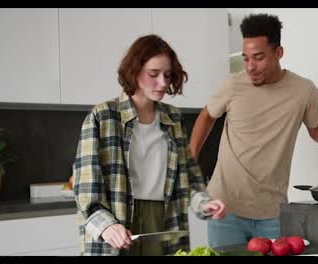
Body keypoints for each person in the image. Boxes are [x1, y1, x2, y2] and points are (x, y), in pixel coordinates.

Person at [189, 13, 318, 248]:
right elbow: (206, 116)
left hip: (272, 213)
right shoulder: (233, 85)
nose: (250, 66)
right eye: (245, 58)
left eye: (258, 57)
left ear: (278, 53)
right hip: (225, 208)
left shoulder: (302, 90)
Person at [73, 34, 227, 256]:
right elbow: (86, 189)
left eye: (167, 75)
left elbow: (189, 179)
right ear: (134, 70)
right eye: (153, 74)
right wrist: (106, 226)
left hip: (164, 220)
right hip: (118, 220)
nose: (163, 83)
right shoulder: (103, 117)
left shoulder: (173, 118)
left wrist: (204, 204)